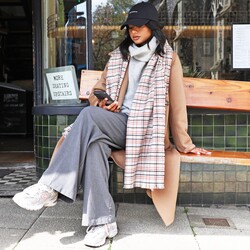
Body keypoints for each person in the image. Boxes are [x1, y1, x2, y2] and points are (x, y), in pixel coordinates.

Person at [12, 2, 211, 248]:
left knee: (88, 120)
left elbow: (178, 105)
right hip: (116, 123)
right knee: (94, 138)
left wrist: (185, 144)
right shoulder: (119, 56)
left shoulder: (167, 59)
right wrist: (103, 104)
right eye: (130, 27)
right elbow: (98, 90)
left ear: (152, 27)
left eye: (139, 26)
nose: (134, 31)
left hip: (146, 130)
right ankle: (102, 223)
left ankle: (52, 186)